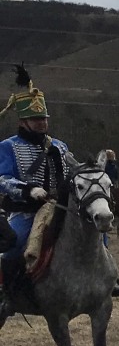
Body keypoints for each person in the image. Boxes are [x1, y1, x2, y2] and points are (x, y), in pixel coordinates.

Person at [0, 67, 81, 316]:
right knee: (14, 245)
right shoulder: (8, 147)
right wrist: (28, 190)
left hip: (59, 206)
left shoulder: (59, 145)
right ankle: (5, 294)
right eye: (36, 120)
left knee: (94, 233)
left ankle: (106, 282)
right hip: (26, 210)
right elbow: (2, 179)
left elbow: (72, 171)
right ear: (23, 122)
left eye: (44, 118)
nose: (42, 123)